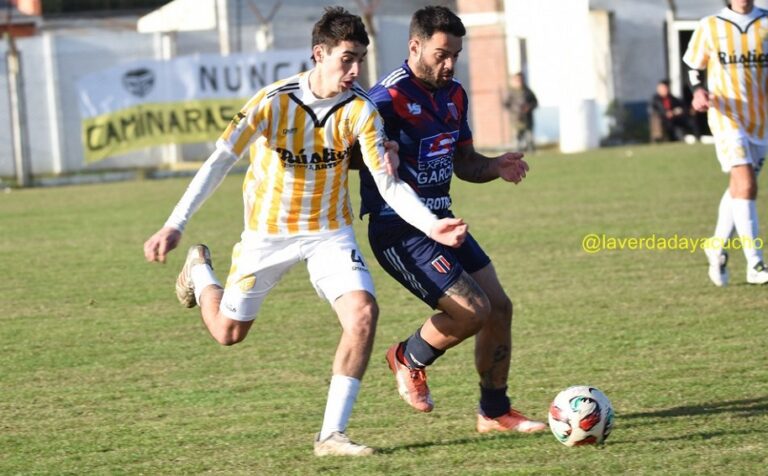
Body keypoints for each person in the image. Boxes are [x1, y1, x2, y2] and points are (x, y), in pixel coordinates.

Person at [142, 6, 468, 457]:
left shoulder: (361, 110)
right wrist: (175, 224)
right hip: (267, 235)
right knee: (228, 333)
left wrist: (433, 225)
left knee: (363, 314)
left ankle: (331, 435)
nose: (355, 71)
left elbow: (388, 184)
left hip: (329, 233)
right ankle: (200, 273)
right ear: (320, 54)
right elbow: (218, 163)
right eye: (346, 59)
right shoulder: (272, 102)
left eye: (360, 60)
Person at [358, 6, 546, 434]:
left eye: (455, 55)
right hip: (398, 228)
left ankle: (494, 412)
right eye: (441, 54)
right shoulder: (386, 98)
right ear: (415, 46)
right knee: (472, 311)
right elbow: (348, 151)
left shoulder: (455, 95)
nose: (449, 64)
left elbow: (464, 163)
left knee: (498, 308)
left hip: (443, 220)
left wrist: (494, 166)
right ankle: (407, 357)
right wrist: (376, 154)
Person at [683, 0, 768, 286]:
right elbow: (693, 66)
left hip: (761, 120)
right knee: (747, 184)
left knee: (740, 188)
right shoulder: (710, 25)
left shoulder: (766, 22)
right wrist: (698, 91)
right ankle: (755, 264)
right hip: (725, 115)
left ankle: (716, 246)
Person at [503, 72, 538, 152]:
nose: (519, 81)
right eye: (517, 80)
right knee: (517, 139)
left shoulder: (528, 91)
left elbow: (535, 103)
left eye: (521, 79)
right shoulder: (510, 92)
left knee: (529, 138)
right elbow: (505, 104)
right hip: (516, 119)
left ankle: (531, 153)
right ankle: (517, 154)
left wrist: (529, 107)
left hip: (527, 119)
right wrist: (515, 110)